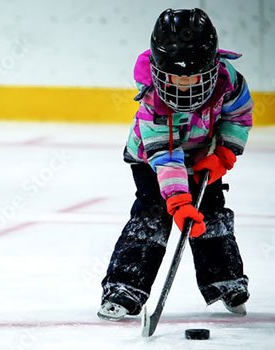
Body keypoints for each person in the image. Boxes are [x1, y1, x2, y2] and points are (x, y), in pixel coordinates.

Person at [98, 8, 253, 321]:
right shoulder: (152, 106)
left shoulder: (229, 82)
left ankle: (224, 279)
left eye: (193, 76)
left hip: (201, 154)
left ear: (211, 67)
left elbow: (238, 116)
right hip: (153, 160)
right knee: (152, 216)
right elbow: (166, 157)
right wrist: (179, 202)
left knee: (211, 213)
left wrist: (224, 153)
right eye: (175, 77)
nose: (185, 84)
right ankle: (124, 287)